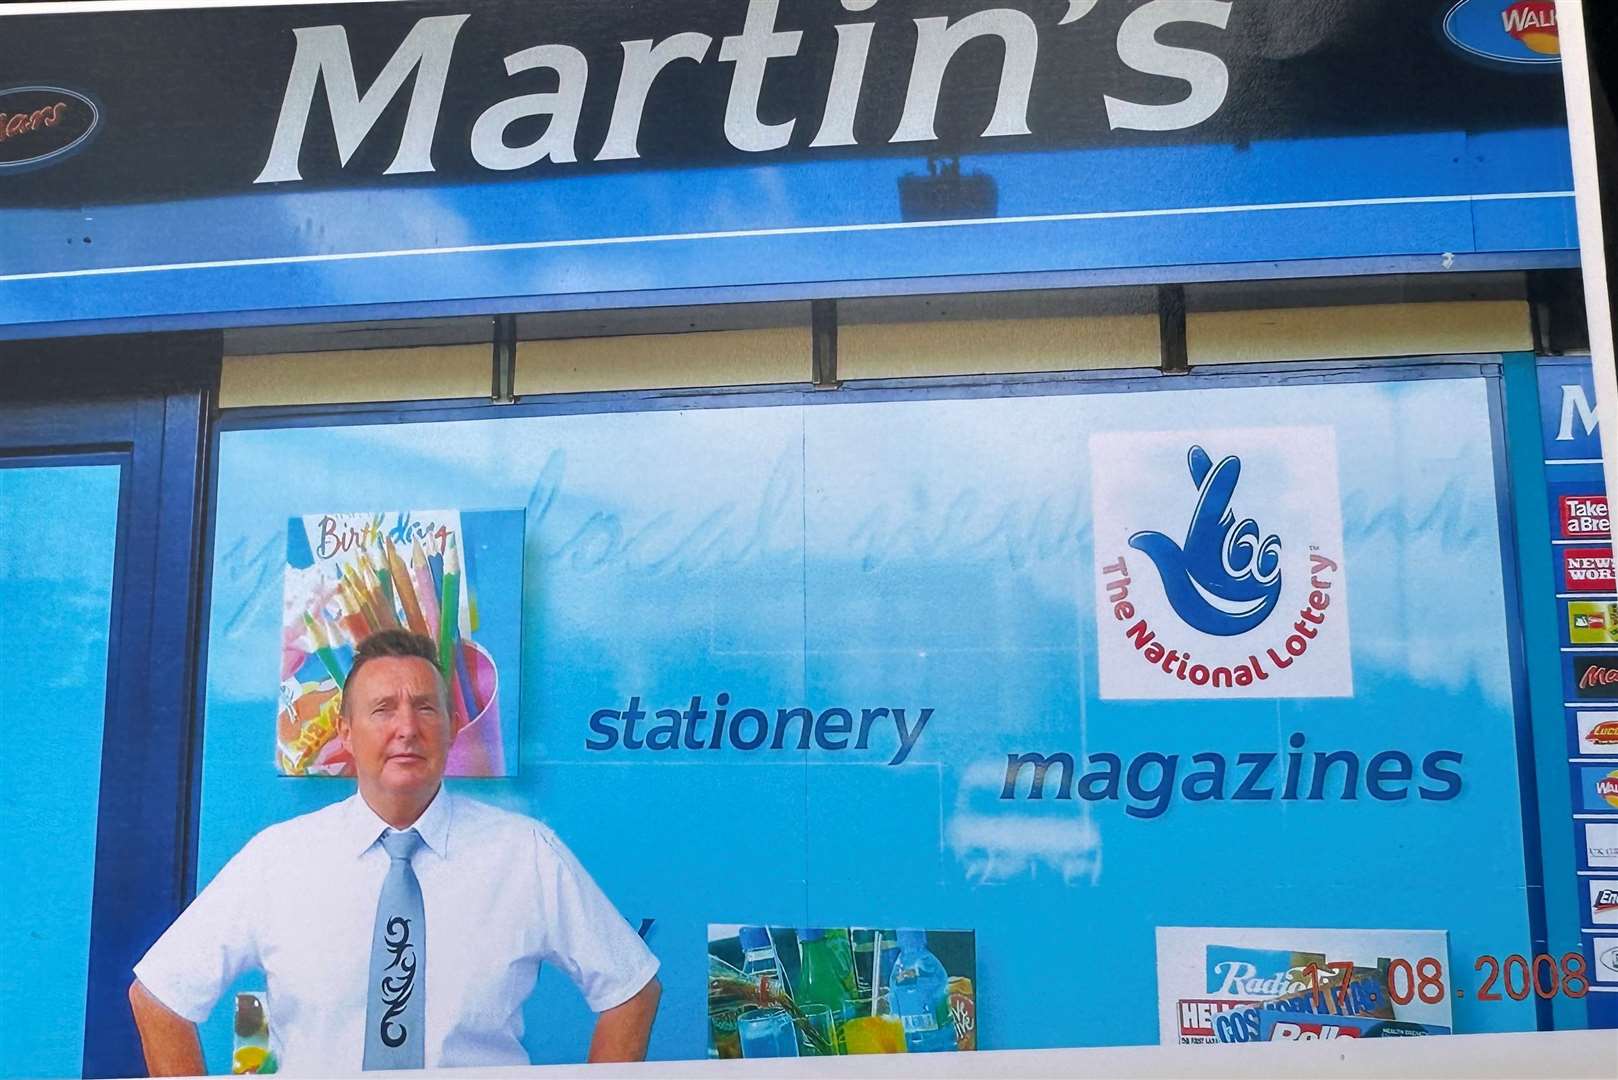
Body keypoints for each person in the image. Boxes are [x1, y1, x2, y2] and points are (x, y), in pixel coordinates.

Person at [129, 630, 660, 1074]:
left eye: (426, 707)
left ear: (451, 729)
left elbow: (632, 988)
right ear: (345, 733)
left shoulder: (525, 854)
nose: (407, 728)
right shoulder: (278, 860)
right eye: (382, 709)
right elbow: (158, 996)